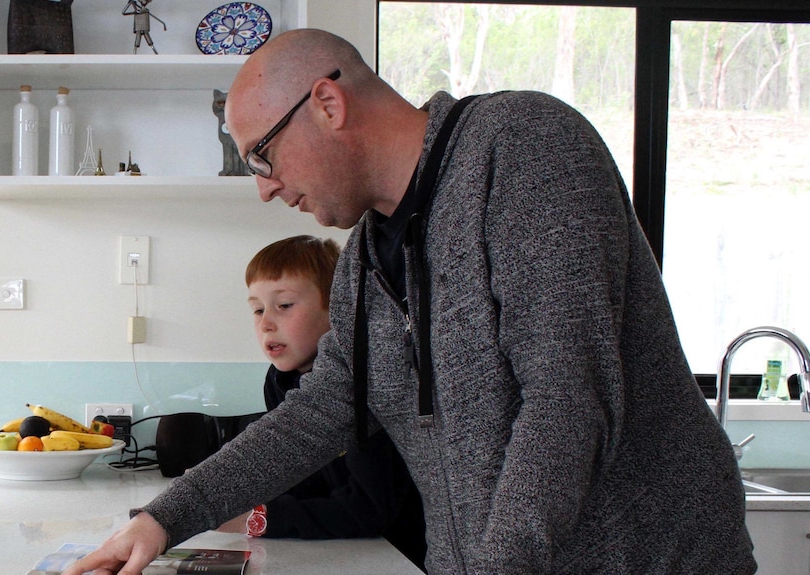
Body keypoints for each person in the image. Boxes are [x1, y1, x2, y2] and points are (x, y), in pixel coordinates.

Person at [65, 28, 756, 575]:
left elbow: (567, 400)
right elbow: (318, 413)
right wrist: (162, 519)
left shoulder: (523, 148)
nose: (265, 189)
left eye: (261, 158)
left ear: (328, 105)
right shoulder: (367, 257)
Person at [217, 235, 426, 570]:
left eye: (284, 305)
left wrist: (259, 519)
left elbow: (368, 511)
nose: (266, 323)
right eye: (257, 309)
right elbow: (301, 477)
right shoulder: (280, 381)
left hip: (398, 557)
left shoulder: (364, 384)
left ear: (337, 308)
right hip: (341, 549)